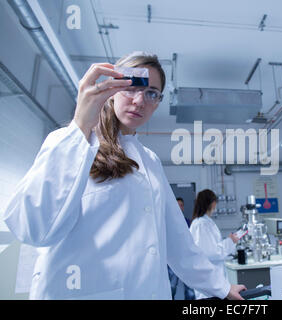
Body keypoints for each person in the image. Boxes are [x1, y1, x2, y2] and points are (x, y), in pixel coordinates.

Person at [2, 51, 245, 300]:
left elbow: (178, 243)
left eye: (152, 93)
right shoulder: (70, 143)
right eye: (131, 87)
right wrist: (81, 126)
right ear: (111, 88)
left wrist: (222, 287)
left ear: (158, 101)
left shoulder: (150, 162)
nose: (140, 101)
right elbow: (33, 229)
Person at [189, 189, 240, 299]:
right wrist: (230, 242)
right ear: (213, 203)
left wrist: (229, 242)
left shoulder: (204, 222)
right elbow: (210, 253)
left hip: (214, 280)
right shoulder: (201, 224)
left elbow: (212, 247)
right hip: (209, 282)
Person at [167, 197, 195, 300]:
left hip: (186, 259)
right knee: (171, 287)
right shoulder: (168, 223)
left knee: (190, 289)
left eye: (181, 205)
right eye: (177, 205)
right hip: (173, 261)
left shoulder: (188, 222)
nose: (179, 207)